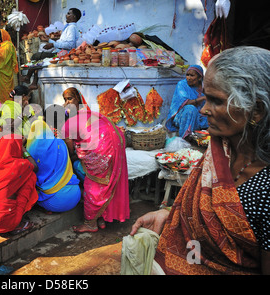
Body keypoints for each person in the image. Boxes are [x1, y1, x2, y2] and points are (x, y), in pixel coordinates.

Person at [130, 46, 270, 275]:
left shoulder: (265, 187)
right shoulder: (220, 152)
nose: (204, 110)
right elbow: (202, 214)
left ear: (256, 111)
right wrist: (169, 216)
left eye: (216, 101)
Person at [61, 87, 130, 233]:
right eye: (65, 100)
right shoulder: (89, 114)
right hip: (115, 141)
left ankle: (90, 223)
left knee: (93, 184)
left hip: (104, 146)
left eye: (69, 99)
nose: (66, 103)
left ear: (78, 99)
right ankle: (101, 218)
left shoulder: (68, 124)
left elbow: (69, 150)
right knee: (108, 182)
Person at [25, 104, 81, 213]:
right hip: (76, 194)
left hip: (56, 202)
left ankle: (45, 207)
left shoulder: (35, 146)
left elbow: (33, 169)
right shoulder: (62, 143)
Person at [21, 8, 82, 90]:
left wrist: (53, 44)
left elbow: (70, 45)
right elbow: (62, 41)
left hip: (63, 54)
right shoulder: (68, 27)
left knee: (36, 56)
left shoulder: (71, 28)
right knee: (39, 60)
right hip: (59, 51)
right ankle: (34, 82)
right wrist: (48, 40)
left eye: (68, 13)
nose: (66, 15)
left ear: (74, 17)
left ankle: (28, 77)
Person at [165, 65, 209, 139]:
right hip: (183, 115)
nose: (188, 78)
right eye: (187, 75)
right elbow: (186, 102)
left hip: (200, 116)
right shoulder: (182, 85)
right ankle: (185, 138)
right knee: (190, 109)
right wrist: (203, 98)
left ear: (199, 78)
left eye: (192, 75)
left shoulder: (205, 87)